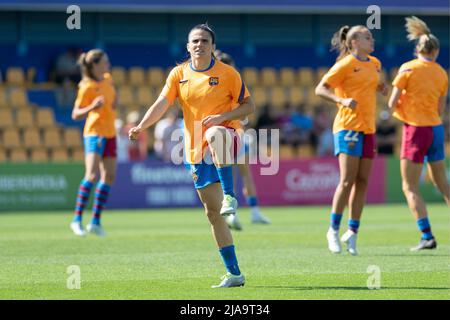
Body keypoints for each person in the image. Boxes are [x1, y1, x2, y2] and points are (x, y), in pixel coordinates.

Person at [128, 24, 254, 287]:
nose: (199, 44)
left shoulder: (228, 73)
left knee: (214, 134)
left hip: (226, 136)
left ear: (212, 45)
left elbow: (249, 106)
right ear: (188, 46)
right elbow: (162, 102)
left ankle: (231, 195)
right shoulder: (178, 74)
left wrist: (222, 117)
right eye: (195, 41)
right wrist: (142, 125)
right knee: (212, 214)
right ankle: (234, 274)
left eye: (204, 40)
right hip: (195, 151)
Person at [315, 25, 387, 255]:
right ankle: (333, 230)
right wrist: (342, 101)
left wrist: (381, 87)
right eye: (367, 37)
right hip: (347, 128)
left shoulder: (375, 63)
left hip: (368, 128)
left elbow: (371, 84)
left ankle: (352, 232)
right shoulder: (345, 64)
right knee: (347, 180)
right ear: (354, 42)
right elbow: (320, 89)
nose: (371, 39)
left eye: (371, 36)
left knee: (363, 181)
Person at [388, 16, 449, 251]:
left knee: (409, 186)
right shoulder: (442, 73)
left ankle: (427, 235)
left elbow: (392, 103)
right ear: (436, 51)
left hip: (415, 129)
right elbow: (441, 109)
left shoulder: (408, 68)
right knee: (442, 182)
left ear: (417, 49)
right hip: (436, 128)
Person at [214, 49, 270, 230]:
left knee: (234, 176)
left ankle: (239, 214)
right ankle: (247, 213)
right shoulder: (231, 85)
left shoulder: (221, 85)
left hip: (230, 134)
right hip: (230, 134)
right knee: (242, 176)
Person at [70, 49, 117, 237]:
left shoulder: (108, 79)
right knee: (90, 176)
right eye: (105, 62)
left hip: (110, 133)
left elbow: (113, 97)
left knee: (110, 176)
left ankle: (95, 221)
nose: (108, 64)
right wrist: (92, 106)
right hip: (95, 133)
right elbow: (75, 114)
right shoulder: (86, 86)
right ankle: (76, 219)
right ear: (95, 65)